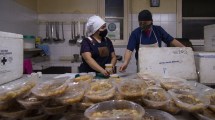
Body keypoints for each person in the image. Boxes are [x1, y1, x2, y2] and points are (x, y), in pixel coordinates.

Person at [119, 10, 185, 72]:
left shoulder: (158, 30)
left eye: (145, 23)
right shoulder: (135, 33)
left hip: (157, 64)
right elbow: (129, 50)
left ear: (151, 21)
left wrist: (185, 49)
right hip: (142, 66)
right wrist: (125, 62)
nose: (143, 25)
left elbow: (171, 40)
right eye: (140, 23)